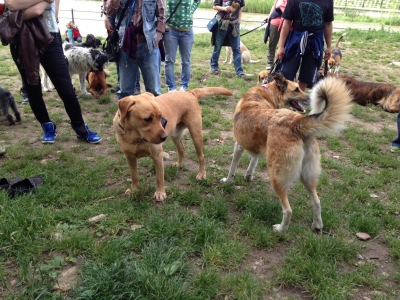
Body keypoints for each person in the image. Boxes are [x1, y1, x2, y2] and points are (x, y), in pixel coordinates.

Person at [5, 0, 102, 144]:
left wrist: (15, 15)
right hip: (21, 38)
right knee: (32, 87)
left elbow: (35, 11)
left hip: (49, 37)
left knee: (66, 88)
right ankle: (47, 126)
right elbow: (12, 4)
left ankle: (81, 128)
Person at [104, 0, 166, 98]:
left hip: (148, 44)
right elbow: (110, 12)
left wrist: (158, 35)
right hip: (125, 44)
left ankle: (154, 113)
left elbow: (162, 13)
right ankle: (126, 113)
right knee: (125, 92)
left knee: (154, 91)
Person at [276, 0, 333, 91]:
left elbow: (328, 24)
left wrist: (329, 47)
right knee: (287, 73)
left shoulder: (328, 1)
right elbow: (286, 22)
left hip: (315, 42)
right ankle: (284, 98)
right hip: (295, 39)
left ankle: (297, 100)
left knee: (307, 75)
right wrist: (281, 46)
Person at [163, 0, 200, 92]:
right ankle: (171, 88)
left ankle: (184, 86)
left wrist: (190, 12)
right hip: (171, 30)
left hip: (187, 31)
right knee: (169, 60)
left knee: (186, 61)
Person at [210, 0, 245, 79]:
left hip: (234, 25)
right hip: (222, 24)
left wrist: (239, 21)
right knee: (217, 47)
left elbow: (240, 9)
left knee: (236, 48)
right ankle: (214, 67)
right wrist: (224, 8)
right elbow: (215, 7)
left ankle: (239, 71)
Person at [264, 0, 287, 70]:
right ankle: (270, 62)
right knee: (272, 43)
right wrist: (269, 16)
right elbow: (274, 6)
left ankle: (282, 63)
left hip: (286, 24)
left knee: (285, 45)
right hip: (275, 22)